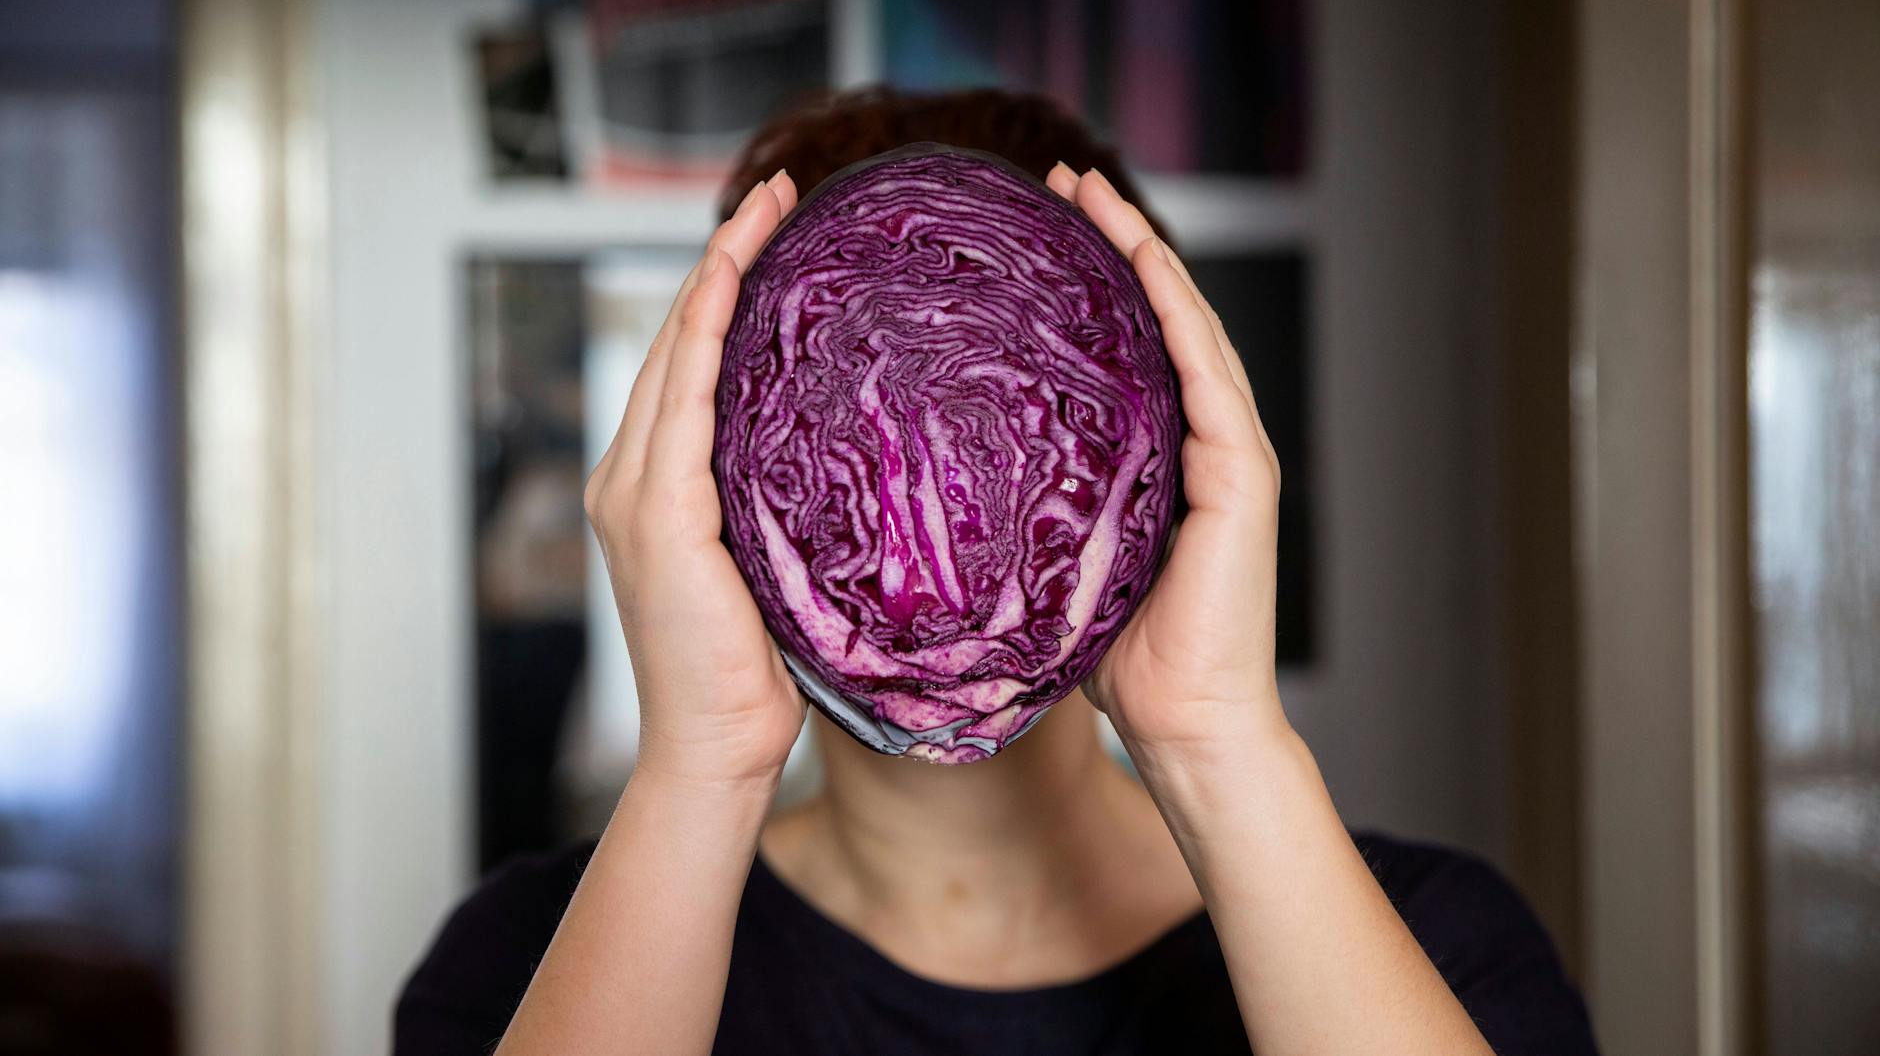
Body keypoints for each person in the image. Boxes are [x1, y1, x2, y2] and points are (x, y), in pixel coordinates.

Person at [396, 89, 1597, 1056]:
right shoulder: (523, 969)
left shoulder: (1436, 949)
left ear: (1178, 445)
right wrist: (696, 765)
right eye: (860, 429)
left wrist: (1218, 740)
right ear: (700, 459)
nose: (934, 512)